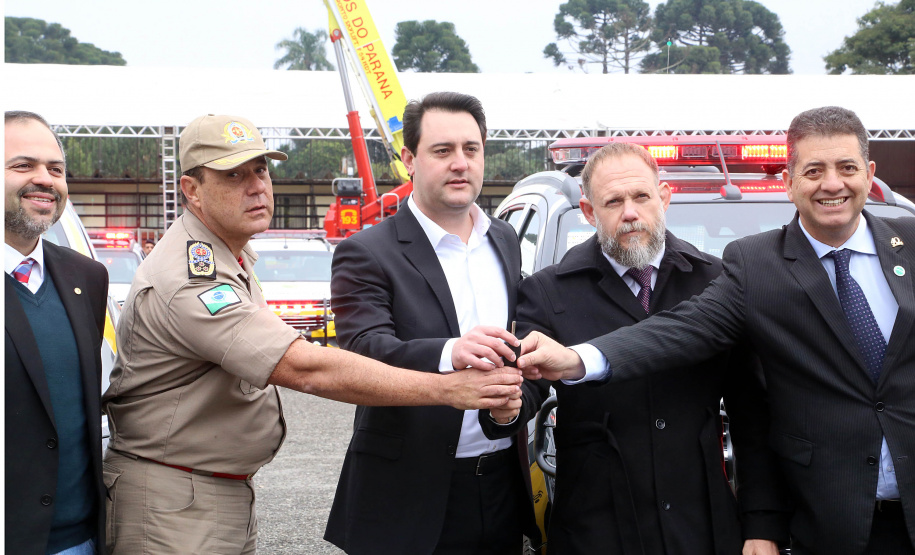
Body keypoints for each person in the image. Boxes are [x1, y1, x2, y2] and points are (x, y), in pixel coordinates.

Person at [101, 113, 522, 555]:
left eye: (261, 169)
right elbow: (305, 367)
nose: (256, 186)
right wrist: (449, 389)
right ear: (192, 190)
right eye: (233, 175)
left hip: (204, 491)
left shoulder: (231, 256)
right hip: (174, 498)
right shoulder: (191, 276)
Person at [518, 106, 915, 555]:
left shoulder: (909, 243)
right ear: (789, 182)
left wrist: (759, 525)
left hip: (714, 522)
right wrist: (568, 364)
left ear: (870, 172)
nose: (832, 184)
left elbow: (751, 412)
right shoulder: (755, 268)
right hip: (610, 524)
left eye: (846, 168)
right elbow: (681, 331)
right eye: (814, 170)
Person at [482, 142, 788, 554]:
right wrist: (506, 408)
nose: (630, 212)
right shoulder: (548, 290)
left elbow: (752, 415)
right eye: (613, 201)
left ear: (663, 196)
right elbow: (528, 386)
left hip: (703, 526)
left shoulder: (716, 282)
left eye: (641, 196)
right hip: (596, 529)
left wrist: (761, 525)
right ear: (590, 213)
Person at [325, 92, 539, 554]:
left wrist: (512, 405)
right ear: (410, 159)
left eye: (471, 149)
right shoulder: (367, 251)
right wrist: (449, 352)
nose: (459, 163)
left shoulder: (503, 238)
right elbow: (362, 348)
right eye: (442, 151)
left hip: (500, 484)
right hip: (407, 493)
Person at [5, 110, 109, 555]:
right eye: (23, 165)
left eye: (56, 169)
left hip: (83, 539)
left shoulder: (87, 277)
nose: (44, 179)